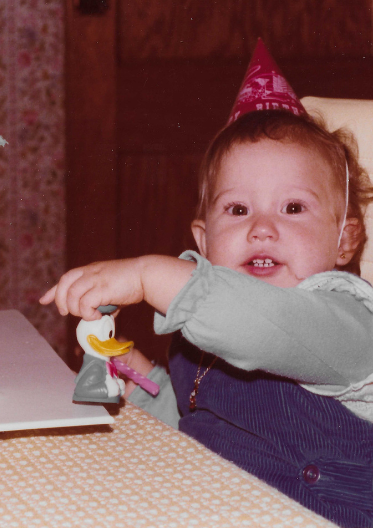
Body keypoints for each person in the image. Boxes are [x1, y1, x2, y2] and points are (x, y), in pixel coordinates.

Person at [40, 41, 373, 527]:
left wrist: (147, 273)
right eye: (237, 210)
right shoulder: (204, 331)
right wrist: (145, 383)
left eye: (293, 208)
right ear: (203, 239)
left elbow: (264, 328)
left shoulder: (349, 322)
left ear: (345, 242)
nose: (262, 227)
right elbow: (196, 431)